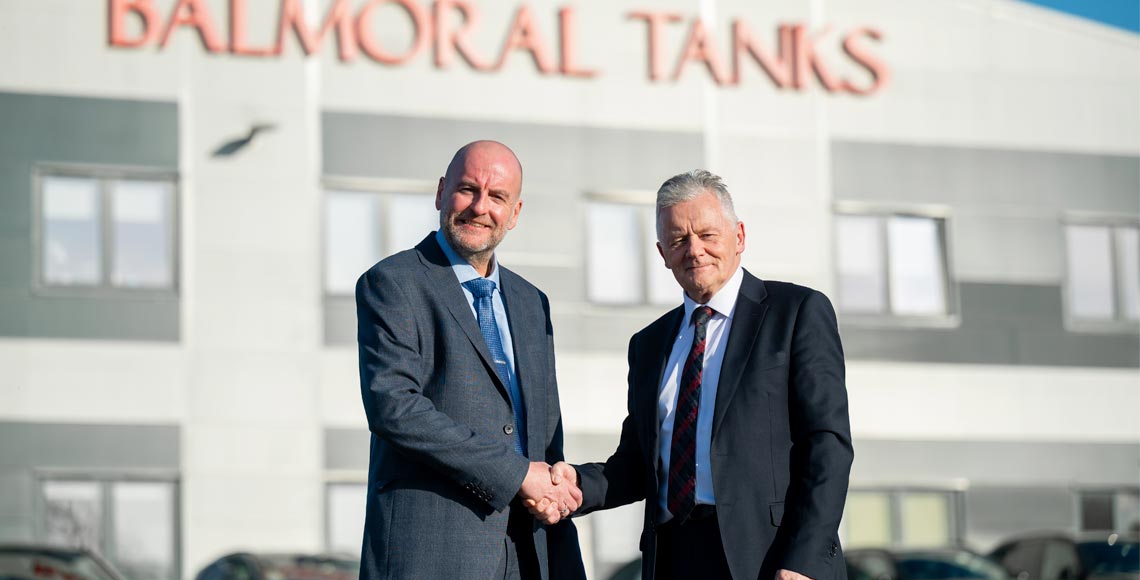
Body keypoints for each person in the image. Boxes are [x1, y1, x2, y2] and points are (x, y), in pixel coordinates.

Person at [543, 170, 853, 580]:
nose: (694, 250)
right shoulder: (649, 344)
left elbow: (826, 444)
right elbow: (638, 464)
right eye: (678, 240)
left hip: (770, 557)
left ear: (739, 237)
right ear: (662, 253)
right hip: (675, 557)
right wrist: (577, 483)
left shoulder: (796, 313)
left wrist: (803, 560)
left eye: (708, 235)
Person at [356, 141, 585, 580]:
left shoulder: (532, 302)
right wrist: (517, 475)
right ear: (441, 192)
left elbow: (544, 432)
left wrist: (552, 493)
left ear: (515, 213)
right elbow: (395, 408)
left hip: (529, 551)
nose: (480, 207)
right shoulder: (392, 283)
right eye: (467, 189)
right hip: (433, 553)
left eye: (497, 197)